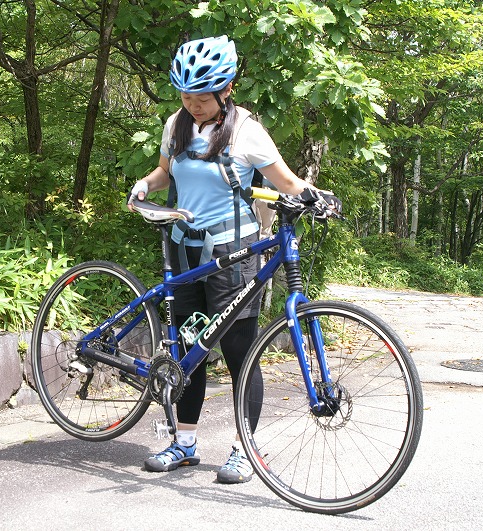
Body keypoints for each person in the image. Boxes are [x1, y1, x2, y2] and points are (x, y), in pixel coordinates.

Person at [128, 35, 341, 484]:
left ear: (226, 89)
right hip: (185, 249)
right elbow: (166, 172)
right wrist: (146, 184)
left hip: (233, 254)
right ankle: (184, 444)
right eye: (186, 96)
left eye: (202, 97)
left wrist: (316, 196)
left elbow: (284, 180)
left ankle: (245, 448)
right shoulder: (176, 125)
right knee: (190, 352)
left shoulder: (246, 131)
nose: (193, 105)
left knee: (241, 352)